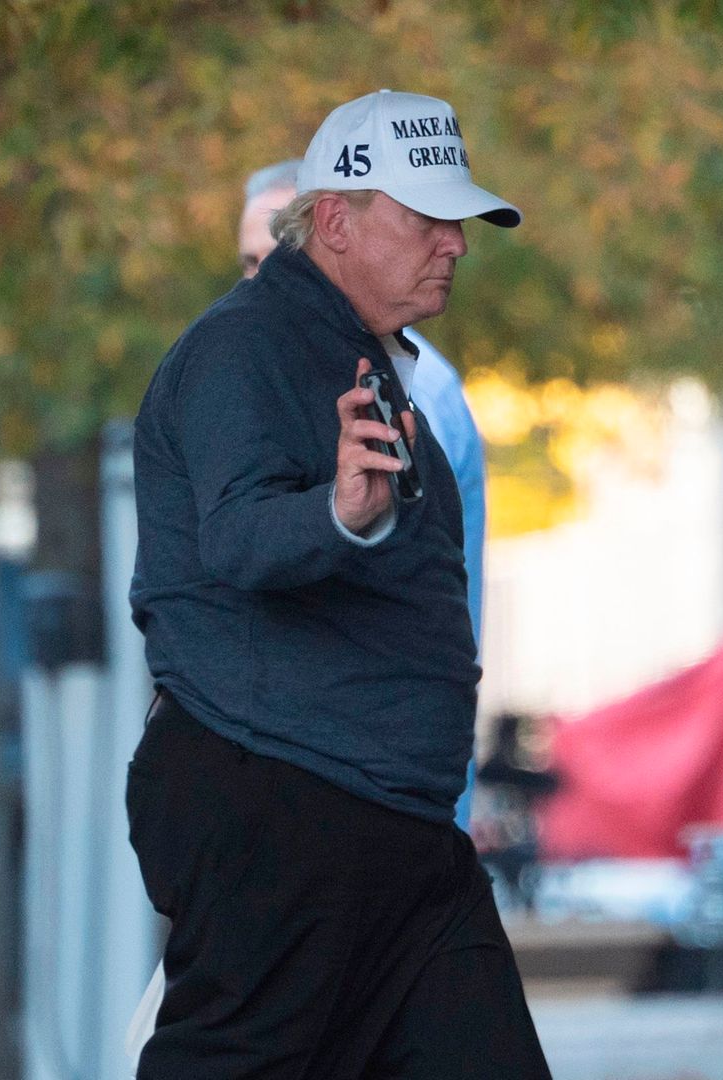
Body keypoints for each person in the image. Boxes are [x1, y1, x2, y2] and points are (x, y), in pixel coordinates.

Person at [126, 90, 552, 1078]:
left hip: (392, 828)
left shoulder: (376, 364)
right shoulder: (244, 350)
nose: (454, 242)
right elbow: (238, 534)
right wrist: (338, 513)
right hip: (284, 805)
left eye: (460, 219)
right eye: (426, 217)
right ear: (336, 219)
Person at [240, 158, 489, 829]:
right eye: (249, 265)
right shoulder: (280, 386)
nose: (264, 286)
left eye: (283, 259)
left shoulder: (406, 391)